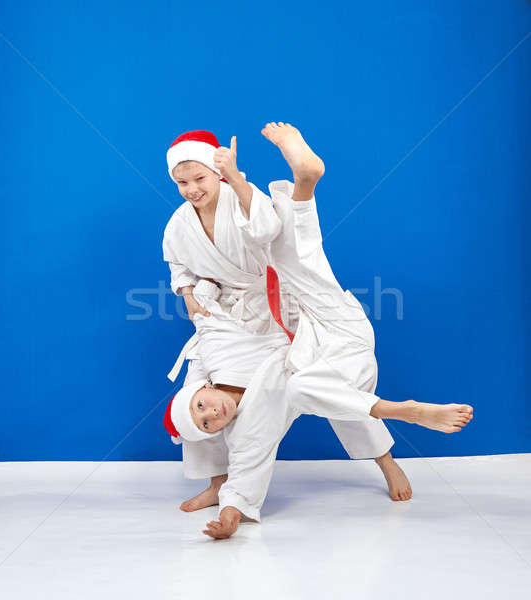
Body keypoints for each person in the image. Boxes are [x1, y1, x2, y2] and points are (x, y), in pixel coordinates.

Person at [164, 123, 474, 539]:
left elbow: (265, 231)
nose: (190, 189)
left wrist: (237, 180)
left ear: (215, 172)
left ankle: (383, 458)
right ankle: (220, 487)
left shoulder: (240, 196)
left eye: (198, 178)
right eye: (181, 182)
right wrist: (187, 292)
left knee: (297, 283)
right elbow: (179, 265)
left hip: (272, 301)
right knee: (193, 389)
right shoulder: (179, 223)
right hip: (222, 315)